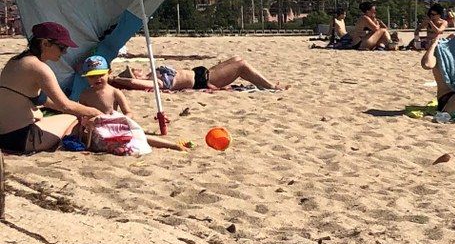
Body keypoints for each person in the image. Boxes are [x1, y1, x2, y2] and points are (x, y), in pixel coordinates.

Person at [1, 23, 106, 154]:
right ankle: (67, 147)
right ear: (45, 44)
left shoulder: (15, 61)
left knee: (74, 113)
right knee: (72, 118)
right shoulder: (39, 68)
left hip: (4, 136)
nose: (65, 52)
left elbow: (44, 100)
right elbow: (65, 106)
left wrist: (80, 109)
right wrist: (97, 113)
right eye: (62, 48)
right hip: (22, 138)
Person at [113, 56, 277, 92]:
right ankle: (271, 86)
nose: (136, 69)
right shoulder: (155, 83)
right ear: (135, 77)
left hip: (201, 72)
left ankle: (265, 83)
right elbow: (133, 84)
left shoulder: (152, 75)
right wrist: (114, 79)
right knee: (242, 65)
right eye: (133, 72)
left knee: (236, 58)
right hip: (203, 79)